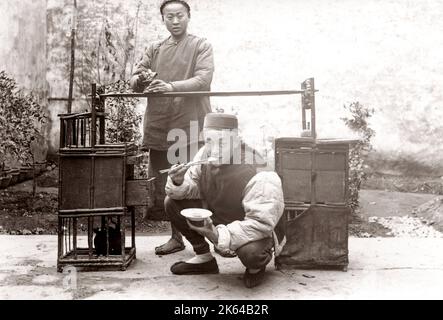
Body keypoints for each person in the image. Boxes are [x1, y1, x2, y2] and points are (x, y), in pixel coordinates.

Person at [129, 0, 214, 255]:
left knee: (192, 181)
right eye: (169, 17)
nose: (175, 21)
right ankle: (176, 237)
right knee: (165, 181)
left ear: (188, 17)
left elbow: (203, 79)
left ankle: (204, 239)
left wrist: (171, 87)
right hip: (159, 123)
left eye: (179, 16)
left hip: (189, 123)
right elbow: (134, 79)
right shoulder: (155, 48)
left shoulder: (201, 45)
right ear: (163, 20)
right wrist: (140, 79)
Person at [164, 113, 285, 288]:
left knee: (251, 254)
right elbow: (192, 189)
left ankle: (255, 268)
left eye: (221, 142)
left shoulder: (259, 169)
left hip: (254, 228)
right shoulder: (204, 155)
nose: (213, 150)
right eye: (209, 142)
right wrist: (178, 181)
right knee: (172, 202)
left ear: (236, 140)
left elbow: (260, 223)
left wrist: (216, 235)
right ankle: (204, 257)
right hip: (221, 215)